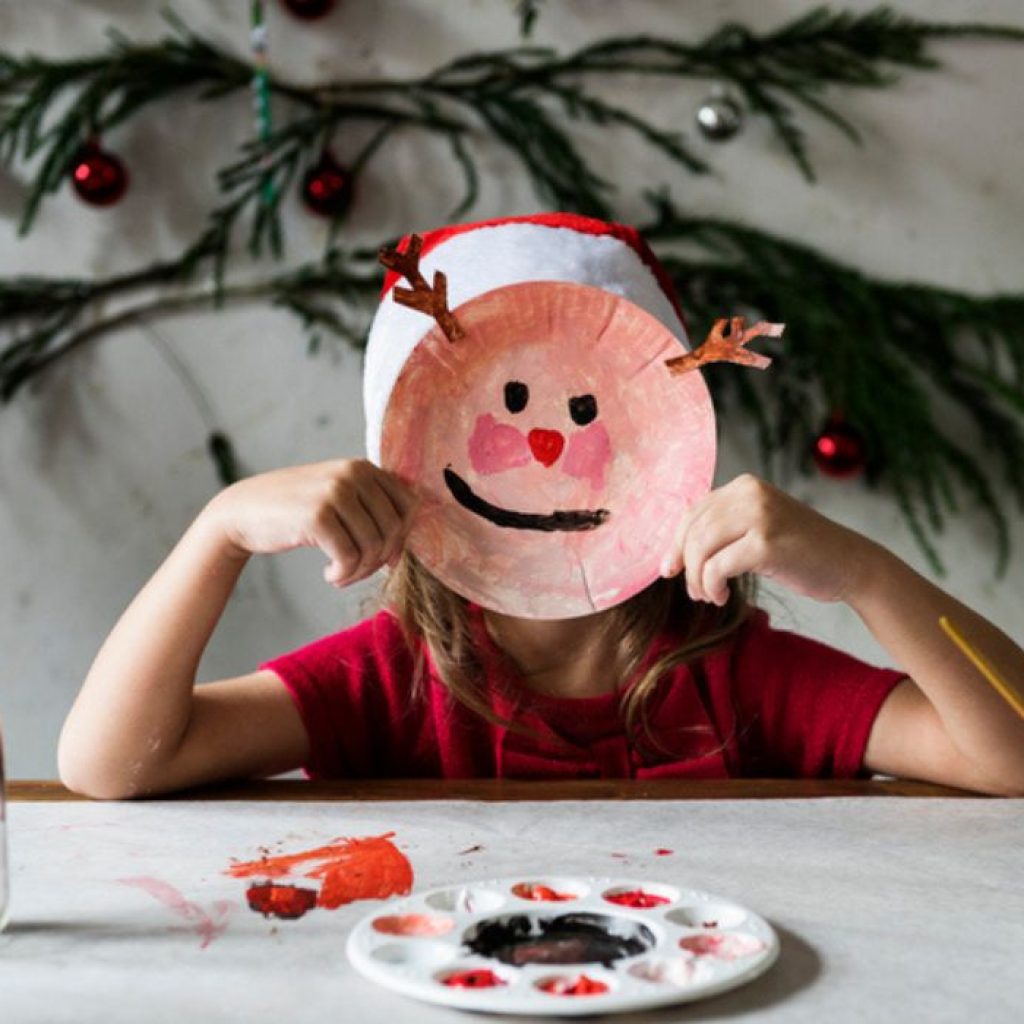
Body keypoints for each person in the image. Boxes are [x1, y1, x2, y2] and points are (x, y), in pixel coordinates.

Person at [58, 215, 1024, 799]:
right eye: (503, 408)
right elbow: (110, 767)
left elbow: (1014, 755)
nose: (543, 449)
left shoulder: (735, 678)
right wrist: (217, 532)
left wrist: (864, 572)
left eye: (586, 410)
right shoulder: (393, 681)